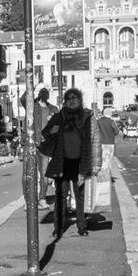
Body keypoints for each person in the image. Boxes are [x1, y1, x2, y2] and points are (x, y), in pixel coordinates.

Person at [42, 88, 102, 238]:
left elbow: (96, 140)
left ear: (80, 100)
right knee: (60, 195)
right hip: (61, 161)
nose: (72, 100)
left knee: (80, 195)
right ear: (65, 101)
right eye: (68, 98)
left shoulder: (88, 117)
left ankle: (82, 226)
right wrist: (52, 130)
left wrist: (96, 163)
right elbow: (45, 133)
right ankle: (58, 227)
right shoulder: (59, 116)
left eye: (75, 98)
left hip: (81, 162)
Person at [33, 88, 59, 208]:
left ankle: (42, 198)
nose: (45, 96)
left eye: (46, 94)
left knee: (43, 173)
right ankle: (29, 199)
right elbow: (23, 99)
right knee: (30, 173)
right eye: (43, 93)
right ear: (39, 95)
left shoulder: (53, 109)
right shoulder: (32, 107)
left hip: (46, 144)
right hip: (33, 143)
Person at [97, 107, 119, 172]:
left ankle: (102, 173)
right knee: (109, 160)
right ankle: (107, 175)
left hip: (101, 143)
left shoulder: (99, 121)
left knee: (102, 159)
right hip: (110, 143)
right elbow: (116, 132)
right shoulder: (111, 122)